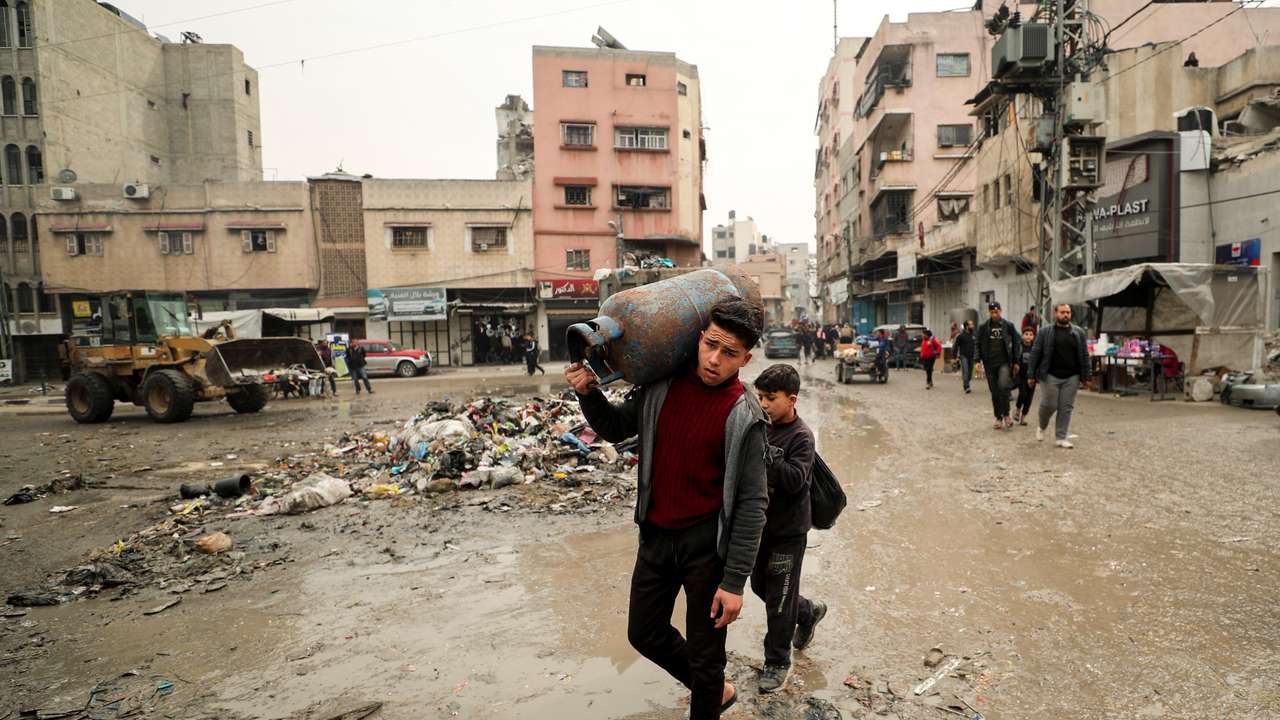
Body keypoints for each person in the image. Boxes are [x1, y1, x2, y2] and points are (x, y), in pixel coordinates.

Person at [565, 298, 769, 718]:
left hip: (706, 550)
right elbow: (618, 427)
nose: (715, 359)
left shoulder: (744, 415)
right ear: (698, 338)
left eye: (729, 353)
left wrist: (734, 582)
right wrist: (589, 394)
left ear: (745, 359)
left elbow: (753, 503)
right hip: (656, 536)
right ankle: (715, 690)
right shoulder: (661, 386)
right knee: (644, 632)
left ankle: (709, 690)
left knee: (706, 655)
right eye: (711, 345)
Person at [751, 364, 827, 693]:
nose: (764, 404)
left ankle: (777, 661)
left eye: (771, 398)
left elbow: (796, 481)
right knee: (760, 586)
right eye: (760, 398)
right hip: (760, 526)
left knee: (779, 599)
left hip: (789, 531)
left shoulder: (801, 436)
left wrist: (767, 456)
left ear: (791, 399)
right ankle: (808, 611)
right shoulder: (761, 426)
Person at [1028, 303, 1091, 448]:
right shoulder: (1045, 332)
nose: (1066, 315)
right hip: (1050, 375)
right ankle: (1042, 426)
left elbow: (1084, 355)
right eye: (1062, 312)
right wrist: (1031, 374)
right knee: (1049, 404)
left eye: (1068, 312)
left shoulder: (1079, 332)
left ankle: (1061, 437)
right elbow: (1035, 353)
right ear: (1056, 314)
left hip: (1072, 376)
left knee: (1066, 407)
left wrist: (1086, 376)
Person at [977, 302, 1018, 429]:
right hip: (989, 364)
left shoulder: (1008, 326)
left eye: (997, 312)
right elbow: (977, 344)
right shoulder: (983, 327)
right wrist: (977, 361)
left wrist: (1016, 361)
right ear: (989, 312)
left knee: (1004, 387)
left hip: (1004, 363)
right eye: (992, 312)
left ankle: (1006, 415)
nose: (994, 314)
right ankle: (998, 417)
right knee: (994, 392)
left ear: (1001, 311)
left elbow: (1017, 342)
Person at [1013, 327, 1036, 424]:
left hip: (1032, 377)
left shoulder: (1036, 348)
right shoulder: (1019, 346)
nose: (1028, 336)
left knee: (1029, 398)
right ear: (1022, 335)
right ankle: (1017, 410)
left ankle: (1023, 418)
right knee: (1023, 393)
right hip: (1021, 375)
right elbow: (1014, 358)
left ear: (1033, 336)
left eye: (1031, 334)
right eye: (1026, 334)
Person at [953, 320, 976, 394]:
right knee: (965, 371)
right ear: (967, 327)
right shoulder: (961, 336)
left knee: (969, 374)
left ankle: (966, 382)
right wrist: (955, 357)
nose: (973, 326)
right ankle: (967, 387)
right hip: (963, 356)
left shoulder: (974, 335)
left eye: (972, 324)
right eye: (971, 324)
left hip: (972, 356)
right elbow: (955, 346)